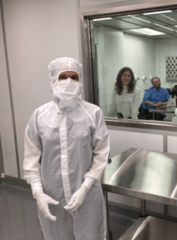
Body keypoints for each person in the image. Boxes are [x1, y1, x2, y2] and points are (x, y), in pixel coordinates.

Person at [23, 57, 110, 240]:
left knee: (90, 235)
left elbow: (101, 155)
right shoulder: (40, 116)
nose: (69, 81)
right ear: (54, 79)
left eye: (74, 77)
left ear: (80, 82)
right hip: (52, 195)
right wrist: (39, 193)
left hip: (87, 196)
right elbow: (31, 160)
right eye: (63, 76)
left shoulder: (93, 113)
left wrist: (84, 188)